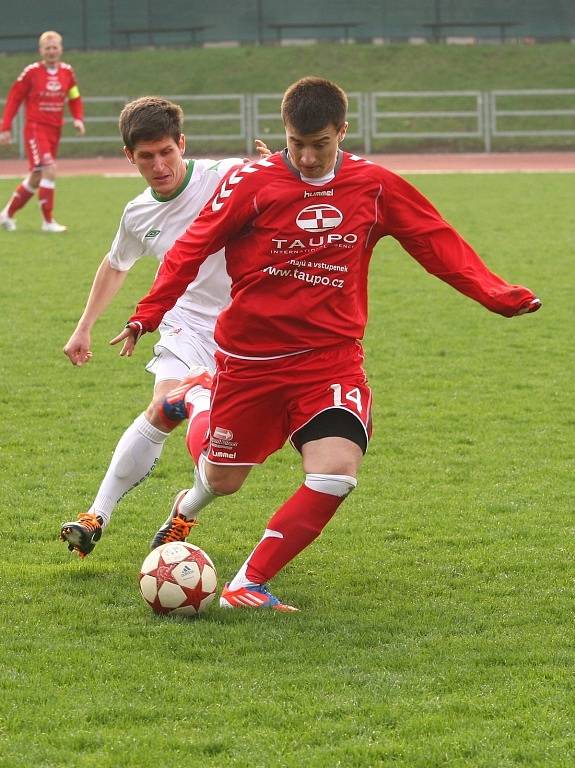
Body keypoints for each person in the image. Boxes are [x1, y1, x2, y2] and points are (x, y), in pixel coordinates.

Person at [112, 77, 541, 612]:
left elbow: (435, 240)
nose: (309, 158)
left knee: (336, 471)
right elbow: (192, 248)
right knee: (223, 480)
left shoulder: (373, 185)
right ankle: (193, 419)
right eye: (297, 144)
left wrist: (498, 295)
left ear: (343, 131)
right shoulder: (252, 185)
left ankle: (249, 582)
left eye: (321, 144)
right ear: (284, 134)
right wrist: (147, 314)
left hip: (329, 360)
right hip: (250, 362)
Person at [60, 95, 269, 558]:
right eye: (146, 156)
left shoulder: (225, 177)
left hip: (252, 330)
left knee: (230, 457)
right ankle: (97, 515)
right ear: (129, 157)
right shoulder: (138, 214)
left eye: (166, 152)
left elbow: (294, 188)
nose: (159, 165)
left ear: (182, 144)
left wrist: (279, 169)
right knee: (164, 407)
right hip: (186, 325)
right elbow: (116, 265)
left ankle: (185, 510)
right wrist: (84, 327)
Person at [0, 31, 85, 233]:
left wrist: (78, 118)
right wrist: (5, 127)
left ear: (61, 49)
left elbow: (74, 97)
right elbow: (14, 98)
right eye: (47, 48)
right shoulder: (31, 72)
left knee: (36, 177)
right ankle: (48, 222)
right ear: (41, 51)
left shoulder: (67, 72)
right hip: (36, 129)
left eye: (55, 47)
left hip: (55, 130)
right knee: (49, 169)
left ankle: (6, 215)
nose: (51, 51)